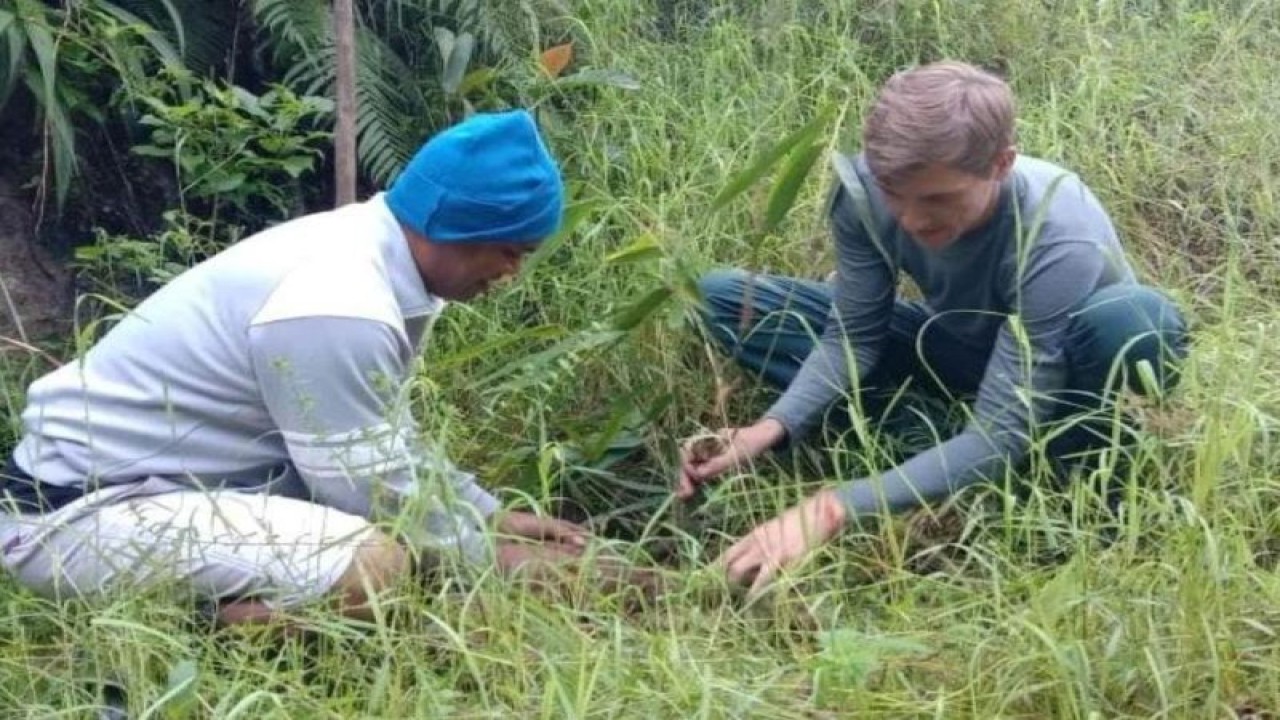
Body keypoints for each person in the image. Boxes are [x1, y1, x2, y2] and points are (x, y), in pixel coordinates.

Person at [0, 109, 593, 625]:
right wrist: (489, 557)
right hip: (74, 517)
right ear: (453, 225)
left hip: (167, 488)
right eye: (509, 251)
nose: (512, 273)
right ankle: (203, 627)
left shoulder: (381, 265)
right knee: (376, 568)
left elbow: (384, 440)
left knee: (404, 555)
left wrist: (487, 516)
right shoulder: (337, 299)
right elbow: (363, 483)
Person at [679, 61, 1189, 594]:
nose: (913, 220)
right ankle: (925, 438)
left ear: (1001, 164)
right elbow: (852, 335)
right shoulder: (865, 195)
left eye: (939, 199)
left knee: (1135, 323)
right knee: (721, 296)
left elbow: (1001, 431)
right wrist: (769, 428)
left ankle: (1077, 470)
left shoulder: (1058, 233)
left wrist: (834, 507)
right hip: (957, 345)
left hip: (1061, 373)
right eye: (895, 194)